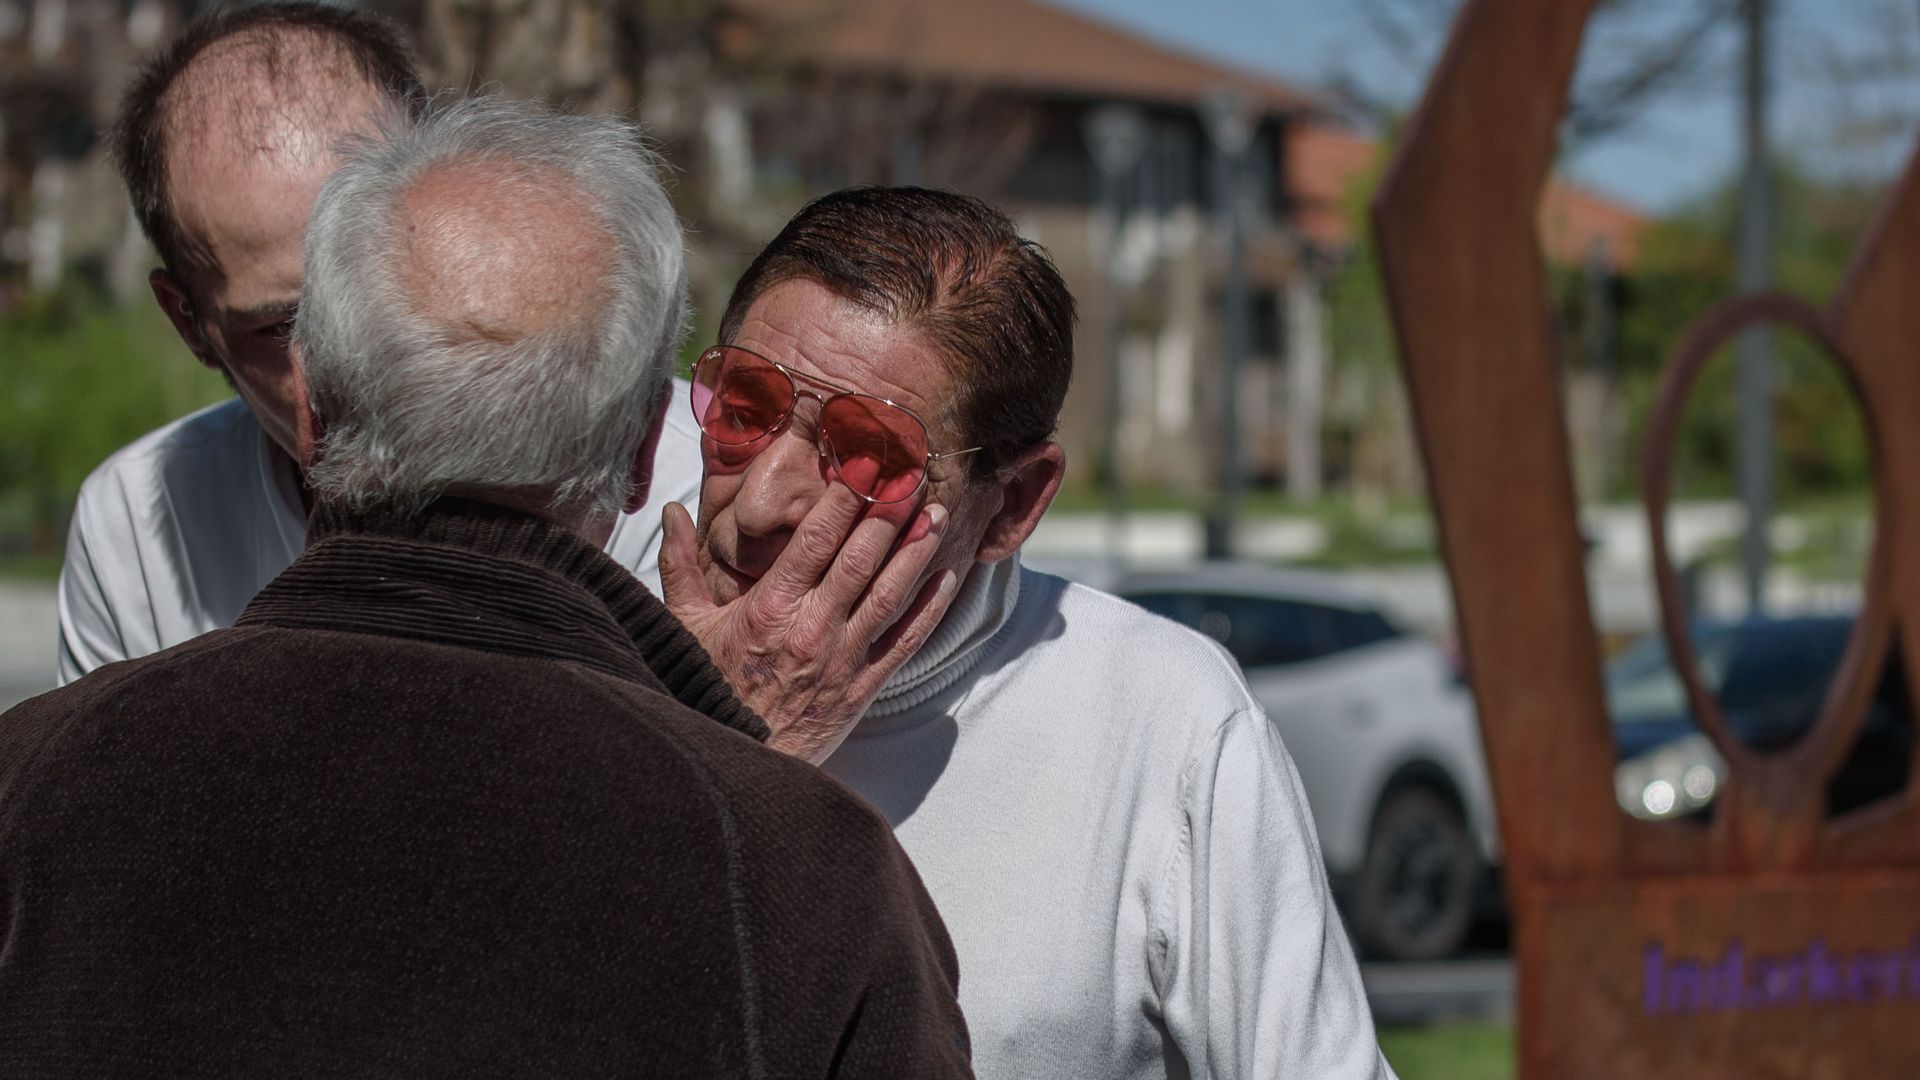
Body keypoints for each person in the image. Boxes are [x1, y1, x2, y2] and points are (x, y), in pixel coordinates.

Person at [0, 98, 972, 1078]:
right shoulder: (808, 872)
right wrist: (729, 759)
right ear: (642, 453)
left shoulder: (31, 783)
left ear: (313, 416)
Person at [660, 187, 1394, 1079]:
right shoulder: (586, 604)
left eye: (865, 459)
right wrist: (721, 751)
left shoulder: (1166, 729)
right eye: (745, 404)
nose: (768, 498)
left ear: (1010, 506)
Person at [54, 1, 704, 684]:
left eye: (386, 291)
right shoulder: (143, 528)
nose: (348, 361)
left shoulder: (706, 493)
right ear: (191, 323)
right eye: (285, 324)